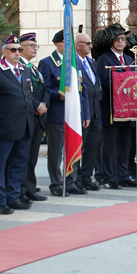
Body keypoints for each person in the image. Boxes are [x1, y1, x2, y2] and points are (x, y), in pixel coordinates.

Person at [0, 36, 36, 214]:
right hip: (3, 127)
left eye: (19, 50)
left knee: (19, 163)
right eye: (13, 50)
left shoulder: (24, 70)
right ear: (4, 51)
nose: (17, 53)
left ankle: (13, 197)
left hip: (24, 125)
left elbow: (28, 95)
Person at [39, 30, 90, 196]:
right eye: (65, 43)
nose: (68, 47)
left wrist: (86, 113)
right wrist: (58, 95)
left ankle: (71, 181)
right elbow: (44, 89)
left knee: (74, 147)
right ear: (56, 44)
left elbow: (83, 90)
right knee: (56, 151)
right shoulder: (47, 63)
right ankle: (56, 183)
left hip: (75, 113)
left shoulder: (76, 63)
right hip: (58, 113)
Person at [93, 24, 136, 189]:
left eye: (123, 39)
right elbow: (105, 82)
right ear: (111, 41)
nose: (120, 42)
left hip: (127, 107)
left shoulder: (130, 59)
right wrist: (125, 80)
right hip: (110, 106)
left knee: (125, 144)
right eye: (117, 39)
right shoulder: (103, 59)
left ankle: (122, 175)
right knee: (109, 144)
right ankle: (108, 176)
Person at [18, 32, 49, 202]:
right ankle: (22, 189)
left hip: (38, 117)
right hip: (27, 117)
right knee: (23, 156)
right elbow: (24, 93)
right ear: (21, 48)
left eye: (36, 45)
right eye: (31, 45)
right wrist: (37, 105)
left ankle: (30, 188)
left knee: (32, 157)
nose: (34, 48)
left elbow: (44, 89)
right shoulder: (20, 67)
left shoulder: (33, 68)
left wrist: (44, 103)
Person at [75, 32, 102, 190]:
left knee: (92, 147)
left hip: (95, 112)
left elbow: (95, 85)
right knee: (81, 147)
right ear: (78, 44)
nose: (91, 46)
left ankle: (86, 177)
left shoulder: (91, 62)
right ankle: (76, 178)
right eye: (87, 43)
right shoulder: (74, 63)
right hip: (82, 113)